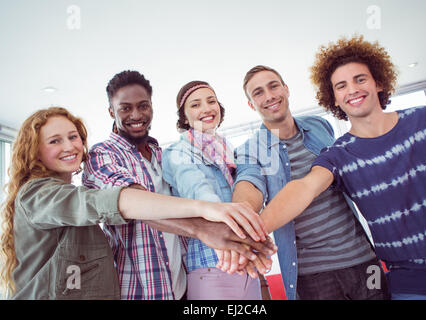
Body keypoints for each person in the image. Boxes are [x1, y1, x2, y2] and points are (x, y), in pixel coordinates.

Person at [0, 107, 266, 299]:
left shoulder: (67, 192)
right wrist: (205, 212)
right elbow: (114, 201)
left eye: (73, 136)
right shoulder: (37, 195)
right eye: (54, 141)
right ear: (35, 149)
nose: (69, 146)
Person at [259, 35, 426, 300]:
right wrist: (253, 231)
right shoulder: (338, 156)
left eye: (360, 79)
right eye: (341, 86)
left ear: (378, 82)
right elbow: (303, 188)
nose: (352, 90)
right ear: (333, 98)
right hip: (413, 287)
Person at [82, 71, 275, 300]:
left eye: (143, 106)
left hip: (180, 286)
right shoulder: (102, 155)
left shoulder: (159, 155)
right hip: (142, 291)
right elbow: (134, 203)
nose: (136, 114)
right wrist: (205, 228)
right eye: (125, 108)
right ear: (111, 111)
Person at [230, 65, 389, 300]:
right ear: (251, 104)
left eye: (274, 86)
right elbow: (248, 183)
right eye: (258, 92)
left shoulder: (318, 125)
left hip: (364, 259)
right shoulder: (249, 150)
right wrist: (242, 217)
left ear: (286, 89)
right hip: (313, 274)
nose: (270, 96)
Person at [162, 80, 270, 300]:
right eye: (195, 104)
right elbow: (199, 192)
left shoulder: (229, 150)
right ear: (184, 117)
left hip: (245, 259)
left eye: (211, 101)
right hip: (210, 263)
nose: (206, 108)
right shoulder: (177, 151)